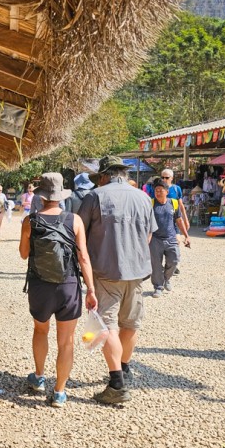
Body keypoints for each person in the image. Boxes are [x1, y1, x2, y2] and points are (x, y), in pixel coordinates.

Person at [78, 156, 157, 405]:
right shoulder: (143, 197)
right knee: (131, 323)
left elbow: (79, 234)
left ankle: (116, 384)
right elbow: (148, 235)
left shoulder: (95, 196)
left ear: (104, 175)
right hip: (137, 272)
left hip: (105, 271)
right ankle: (123, 367)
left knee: (108, 325)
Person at [20, 173, 97, 408]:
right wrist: (91, 290)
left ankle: (39, 376)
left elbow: (24, 254)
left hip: (40, 285)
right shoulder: (74, 220)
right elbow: (83, 257)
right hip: (69, 285)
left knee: (40, 331)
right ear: (61, 195)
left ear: (41, 196)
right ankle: (60, 392)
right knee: (66, 341)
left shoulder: (29, 221)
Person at [149, 179, 191, 298]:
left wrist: (186, 236)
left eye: (160, 190)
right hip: (155, 239)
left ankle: (166, 278)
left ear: (167, 191)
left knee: (174, 260)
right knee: (156, 265)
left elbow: (179, 220)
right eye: (156, 190)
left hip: (171, 238)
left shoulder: (173, 203)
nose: (158, 192)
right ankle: (158, 287)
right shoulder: (150, 204)